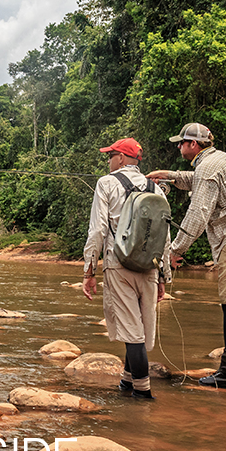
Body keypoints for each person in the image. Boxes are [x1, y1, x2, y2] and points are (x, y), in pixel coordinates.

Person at [147, 123, 226, 391]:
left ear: (193, 145)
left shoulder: (207, 168)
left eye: (181, 143)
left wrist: (174, 251)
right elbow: (197, 180)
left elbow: (198, 214)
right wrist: (169, 176)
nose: (179, 147)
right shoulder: (223, 159)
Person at [83, 137, 171, 400]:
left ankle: (143, 393)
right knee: (141, 331)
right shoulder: (158, 190)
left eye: (110, 155)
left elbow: (97, 230)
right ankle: (126, 382)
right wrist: (164, 276)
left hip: (118, 265)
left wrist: (89, 271)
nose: (108, 160)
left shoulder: (106, 183)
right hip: (150, 268)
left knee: (132, 333)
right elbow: (164, 238)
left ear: (121, 157)